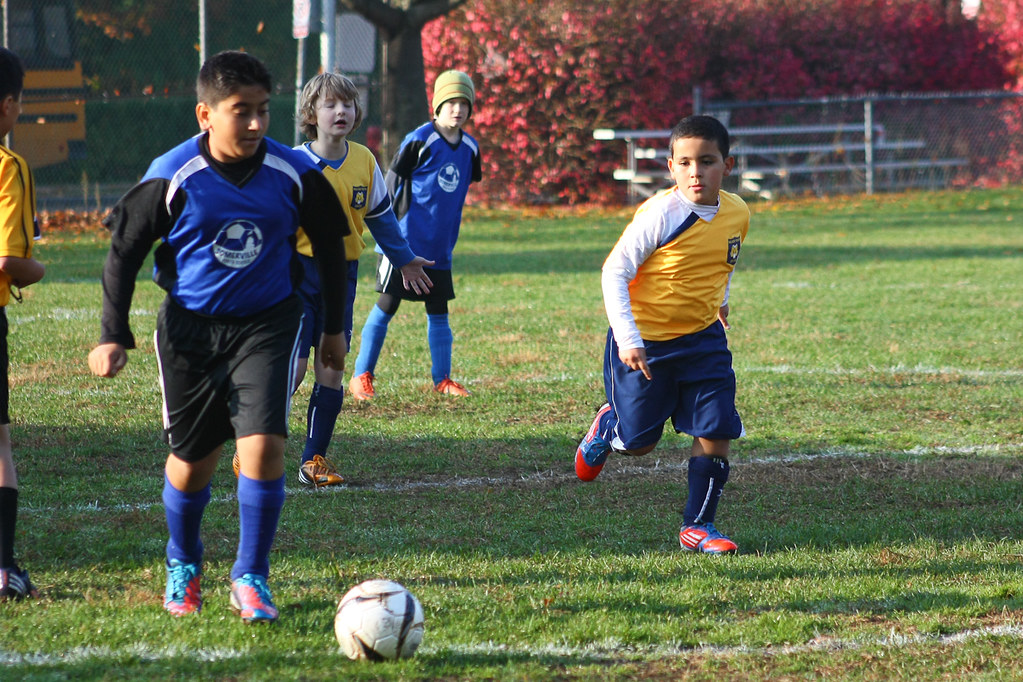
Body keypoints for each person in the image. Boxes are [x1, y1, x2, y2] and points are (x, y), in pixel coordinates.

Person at [87, 51, 350, 622]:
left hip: (268, 325)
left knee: (263, 448)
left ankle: (250, 576)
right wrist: (113, 334)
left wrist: (332, 329)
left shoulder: (293, 173)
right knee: (194, 462)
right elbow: (124, 252)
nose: (256, 124)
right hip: (191, 334)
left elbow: (331, 246)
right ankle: (184, 561)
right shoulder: (171, 174)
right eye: (241, 112)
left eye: (263, 111)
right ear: (205, 114)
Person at [574, 115, 750, 555]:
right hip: (645, 344)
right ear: (671, 166)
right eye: (686, 162)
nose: (696, 172)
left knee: (716, 428)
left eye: (707, 162)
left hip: (704, 340)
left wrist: (720, 300)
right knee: (639, 443)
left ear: (727, 165)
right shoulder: (661, 214)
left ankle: (698, 526)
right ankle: (607, 426)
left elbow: (723, 260)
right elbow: (615, 272)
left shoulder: (738, 213)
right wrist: (628, 337)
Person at [289, 72, 433, 487]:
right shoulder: (294, 163)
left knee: (332, 365)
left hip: (343, 277)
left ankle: (313, 460)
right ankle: (255, 448)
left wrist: (404, 260)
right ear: (311, 114)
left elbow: (381, 219)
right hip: (298, 274)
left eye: (348, 105)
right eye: (330, 105)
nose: (341, 112)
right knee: (293, 370)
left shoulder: (365, 160)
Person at [348, 69, 482, 400]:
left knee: (439, 311)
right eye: (450, 101)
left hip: (440, 247)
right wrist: (390, 239)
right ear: (437, 104)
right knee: (386, 304)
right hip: (403, 244)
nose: (457, 109)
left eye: (463, 103)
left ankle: (443, 379)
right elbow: (389, 186)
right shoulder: (420, 140)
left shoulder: (471, 148)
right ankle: (361, 375)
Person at [0, 47, 45, 600]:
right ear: (8, 105)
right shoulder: (8, 166)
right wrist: (39, 267)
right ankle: (3, 567)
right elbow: (9, 261)